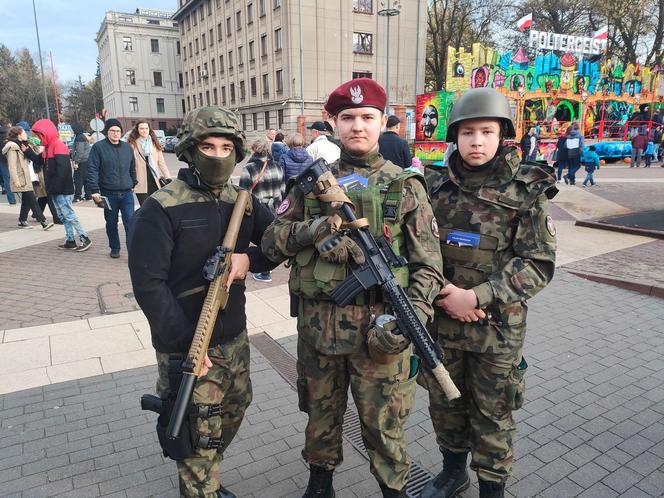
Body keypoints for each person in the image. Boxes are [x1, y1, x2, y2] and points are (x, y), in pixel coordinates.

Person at [261, 78, 445, 498]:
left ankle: (394, 491)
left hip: (381, 338)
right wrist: (314, 230)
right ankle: (319, 486)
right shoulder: (311, 184)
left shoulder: (406, 186)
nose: (357, 126)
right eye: (348, 118)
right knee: (320, 418)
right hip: (319, 335)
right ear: (334, 123)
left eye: (367, 117)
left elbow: (429, 265)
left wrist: (412, 316)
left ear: (383, 122)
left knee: (385, 427)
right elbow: (271, 244)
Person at [128, 106, 276, 498]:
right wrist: (185, 345)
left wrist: (249, 260)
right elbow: (149, 284)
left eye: (226, 146)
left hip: (234, 338)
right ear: (190, 151)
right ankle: (200, 483)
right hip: (188, 346)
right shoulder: (161, 207)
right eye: (207, 146)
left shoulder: (241, 201)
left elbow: (277, 244)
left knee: (236, 407)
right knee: (195, 431)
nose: (217, 155)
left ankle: (206, 471)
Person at [420, 87, 556, 498]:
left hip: (496, 329)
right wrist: (446, 294)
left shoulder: (525, 192)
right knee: (446, 405)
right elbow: (415, 249)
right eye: (467, 132)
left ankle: (492, 488)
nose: (476, 141)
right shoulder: (433, 187)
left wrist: (475, 297)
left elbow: (538, 264)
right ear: (455, 137)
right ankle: (452, 472)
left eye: (486, 131)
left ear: (502, 136)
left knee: (493, 415)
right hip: (442, 322)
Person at [25, 119, 92, 251]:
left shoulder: (57, 145)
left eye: (39, 135)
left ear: (45, 133)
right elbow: (40, 161)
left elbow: (63, 170)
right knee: (64, 216)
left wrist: (54, 188)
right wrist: (28, 151)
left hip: (61, 189)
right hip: (56, 189)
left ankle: (85, 237)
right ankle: (70, 240)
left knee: (68, 215)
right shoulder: (49, 146)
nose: (37, 138)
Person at [87, 119, 137, 258]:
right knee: (111, 223)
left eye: (118, 131)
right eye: (112, 131)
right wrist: (95, 190)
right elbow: (92, 169)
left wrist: (133, 183)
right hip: (108, 193)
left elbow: (132, 167)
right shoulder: (98, 147)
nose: (116, 134)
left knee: (130, 223)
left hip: (127, 193)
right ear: (107, 132)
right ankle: (115, 248)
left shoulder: (127, 148)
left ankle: (132, 251)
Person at [239, 138, 285, 283]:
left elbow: (243, 194)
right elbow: (282, 189)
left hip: (259, 209)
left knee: (261, 238)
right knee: (271, 236)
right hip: (275, 208)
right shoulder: (277, 166)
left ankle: (264, 272)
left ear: (253, 149)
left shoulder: (249, 168)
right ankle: (269, 265)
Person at [2, 126, 53, 230]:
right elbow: (12, 166)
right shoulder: (12, 147)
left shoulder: (24, 144)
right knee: (32, 200)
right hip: (21, 178)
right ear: (18, 134)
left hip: (29, 176)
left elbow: (37, 153)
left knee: (26, 200)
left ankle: (22, 220)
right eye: (24, 132)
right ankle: (43, 221)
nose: (26, 134)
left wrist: (33, 143)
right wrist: (15, 180)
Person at [127, 120, 172, 206]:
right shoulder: (133, 144)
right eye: (141, 128)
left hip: (155, 180)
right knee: (144, 207)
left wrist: (168, 177)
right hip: (140, 181)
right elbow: (129, 165)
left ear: (149, 129)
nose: (144, 131)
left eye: (146, 128)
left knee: (156, 207)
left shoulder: (154, 143)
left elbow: (161, 163)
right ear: (137, 130)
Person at [71, 123, 92, 202]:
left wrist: (76, 162)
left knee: (78, 179)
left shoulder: (79, 138)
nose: (72, 131)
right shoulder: (82, 137)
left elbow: (80, 151)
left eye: (73, 129)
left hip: (81, 162)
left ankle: (77, 196)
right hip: (86, 161)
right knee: (86, 179)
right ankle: (88, 195)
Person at [0, 118, 17, 205]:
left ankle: (11, 199)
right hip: (12, 157)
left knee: (6, 180)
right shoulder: (11, 133)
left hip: (2, 159)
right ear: (8, 124)